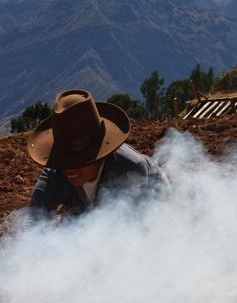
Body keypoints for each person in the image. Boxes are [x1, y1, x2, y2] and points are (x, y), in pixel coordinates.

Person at [24, 89, 169, 227]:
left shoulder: (129, 168)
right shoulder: (56, 173)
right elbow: (33, 220)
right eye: (65, 160)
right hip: (91, 208)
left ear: (99, 155)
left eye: (79, 160)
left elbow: (128, 232)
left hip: (152, 201)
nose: (69, 167)